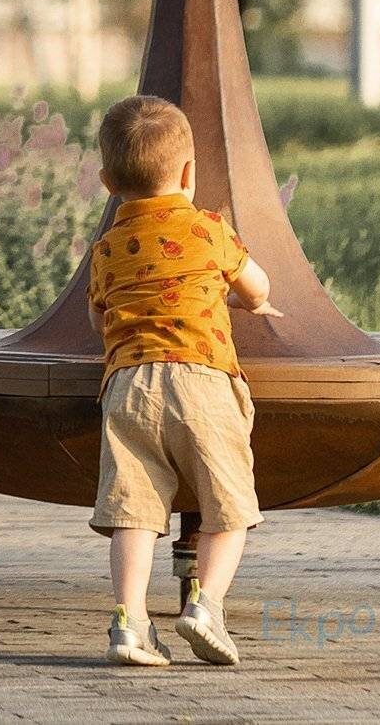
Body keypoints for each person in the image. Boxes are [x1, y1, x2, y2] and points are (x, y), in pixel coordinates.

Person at [87, 94, 282, 667]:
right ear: (190, 173)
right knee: (229, 507)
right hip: (203, 382)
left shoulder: (106, 249)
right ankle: (206, 604)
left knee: (134, 511)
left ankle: (130, 624)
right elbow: (257, 286)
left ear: (107, 182)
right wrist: (251, 303)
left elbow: (100, 320)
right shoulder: (208, 229)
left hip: (129, 388)